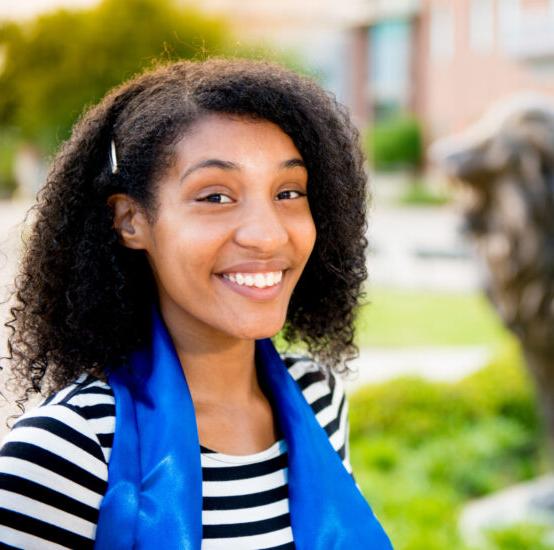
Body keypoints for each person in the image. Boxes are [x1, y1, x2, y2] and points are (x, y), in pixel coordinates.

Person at [0, 59, 392, 549]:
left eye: (288, 192)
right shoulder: (67, 450)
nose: (267, 234)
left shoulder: (317, 396)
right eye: (215, 197)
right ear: (131, 221)